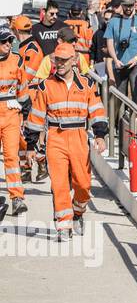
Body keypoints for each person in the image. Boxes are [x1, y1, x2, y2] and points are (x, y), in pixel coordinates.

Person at [24, 43, 108, 238]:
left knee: (83, 185)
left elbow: (97, 111)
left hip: (79, 137)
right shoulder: (46, 85)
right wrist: (30, 146)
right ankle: (64, 224)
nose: (59, 64)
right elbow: (36, 117)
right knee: (60, 184)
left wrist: (100, 135)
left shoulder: (87, 84)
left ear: (74, 60)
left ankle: (77, 213)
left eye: (63, 60)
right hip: (56, 138)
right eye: (57, 60)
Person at [0, 28, 29, 213]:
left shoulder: (17, 59)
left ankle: (17, 198)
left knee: (11, 156)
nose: (9, 44)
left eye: (10, 40)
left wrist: (24, 113)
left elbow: (23, 87)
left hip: (11, 113)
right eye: (4, 41)